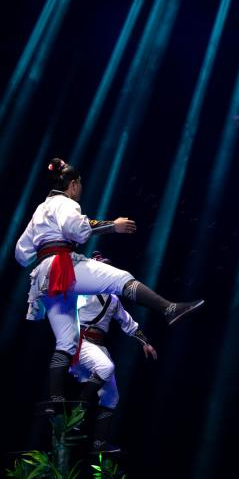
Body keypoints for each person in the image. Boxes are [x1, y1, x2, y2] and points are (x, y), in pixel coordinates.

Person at [14, 157, 203, 403]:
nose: (80, 190)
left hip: (43, 277)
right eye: (80, 185)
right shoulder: (65, 203)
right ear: (74, 184)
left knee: (67, 341)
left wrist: (45, 248)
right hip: (62, 267)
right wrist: (113, 226)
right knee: (119, 278)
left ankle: (56, 402)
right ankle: (168, 308)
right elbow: (76, 229)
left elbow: (21, 253)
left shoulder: (40, 209)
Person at [70, 255, 158, 452]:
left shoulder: (114, 300)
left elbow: (128, 323)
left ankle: (99, 443)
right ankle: (77, 412)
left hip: (98, 346)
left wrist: (145, 342)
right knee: (106, 367)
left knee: (111, 397)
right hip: (81, 343)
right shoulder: (82, 291)